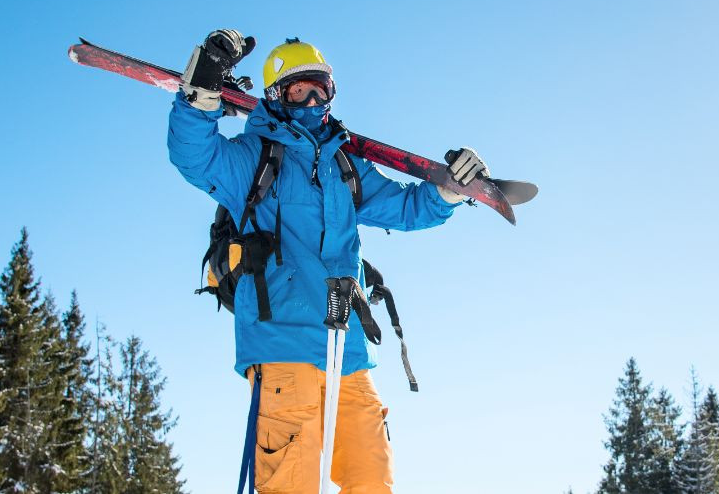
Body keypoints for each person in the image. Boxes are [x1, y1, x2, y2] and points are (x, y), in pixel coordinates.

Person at [166, 30, 486, 493]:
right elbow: (193, 155)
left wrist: (451, 191)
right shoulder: (252, 159)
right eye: (301, 89)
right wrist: (201, 92)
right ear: (277, 96)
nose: (315, 99)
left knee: (372, 479)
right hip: (283, 350)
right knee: (291, 485)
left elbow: (405, 208)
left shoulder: (345, 166)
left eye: (322, 88)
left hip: (348, 350)